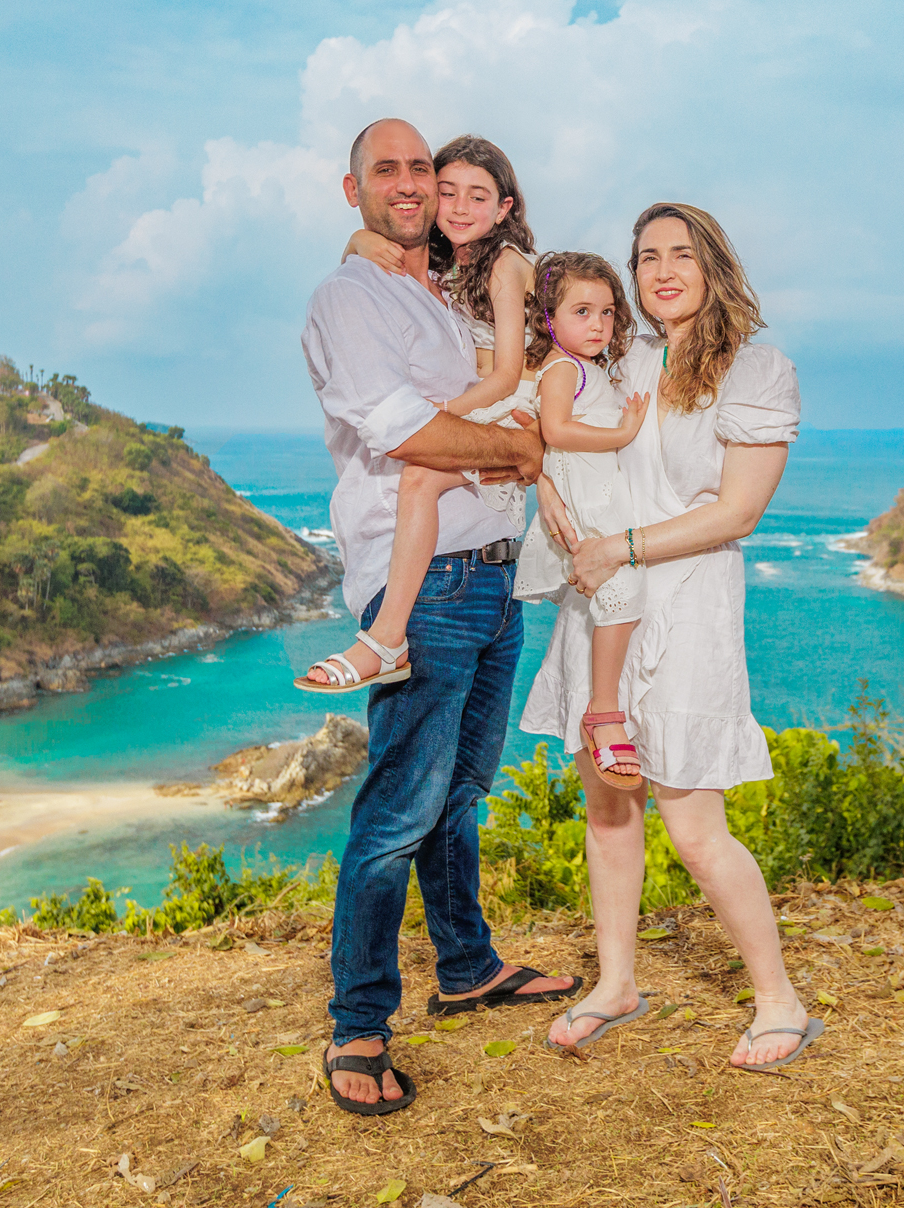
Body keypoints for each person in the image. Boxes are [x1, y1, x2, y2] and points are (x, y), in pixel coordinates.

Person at [300, 117, 580, 1117]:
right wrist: (513, 450)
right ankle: (360, 1021)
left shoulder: (453, 294)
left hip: (491, 575)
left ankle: (465, 964)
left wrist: (518, 445)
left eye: (424, 169)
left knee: (460, 791)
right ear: (355, 190)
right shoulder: (351, 297)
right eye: (392, 170)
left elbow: (515, 404)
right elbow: (411, 433)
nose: (413, 185)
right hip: (422, 580)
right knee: (397, 811)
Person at [523, 202, 822, 1071]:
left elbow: (739, 511)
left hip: (685, 600)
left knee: (694, 824)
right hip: (603, 600)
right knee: (610, 807)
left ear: (713, 265)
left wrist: (621, 545)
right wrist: (546, 486)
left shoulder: (755, 370)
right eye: (646, 256)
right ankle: (616, 984)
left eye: (680, 255)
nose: (661, 271)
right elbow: (558, 430)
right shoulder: (622, 359)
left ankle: (780, 999)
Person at [300, 136, 537, 693]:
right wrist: (358, 240)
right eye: (448, 190)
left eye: (476, 196)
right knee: (415, 780)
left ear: (504, 208)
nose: (457, 206)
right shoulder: (413, 274)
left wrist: (451, 412)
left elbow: (505, 375)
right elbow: (401, 429)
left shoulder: (487, 268)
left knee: (464, 778)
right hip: (443, 574)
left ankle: (385, 640)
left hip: (495, 543)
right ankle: (385, 640)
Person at [511, 252, 651, 789]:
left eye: (608, 313)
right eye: (582, 311)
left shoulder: (588, 368)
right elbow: (558, 430)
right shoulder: (564, 367)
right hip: (588, 505)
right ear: (549, 318)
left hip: (601, 498)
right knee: (622, 592)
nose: (598, 324)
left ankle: (603, 704)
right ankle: (604, 709)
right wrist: (622, 433)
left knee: (621, 597)